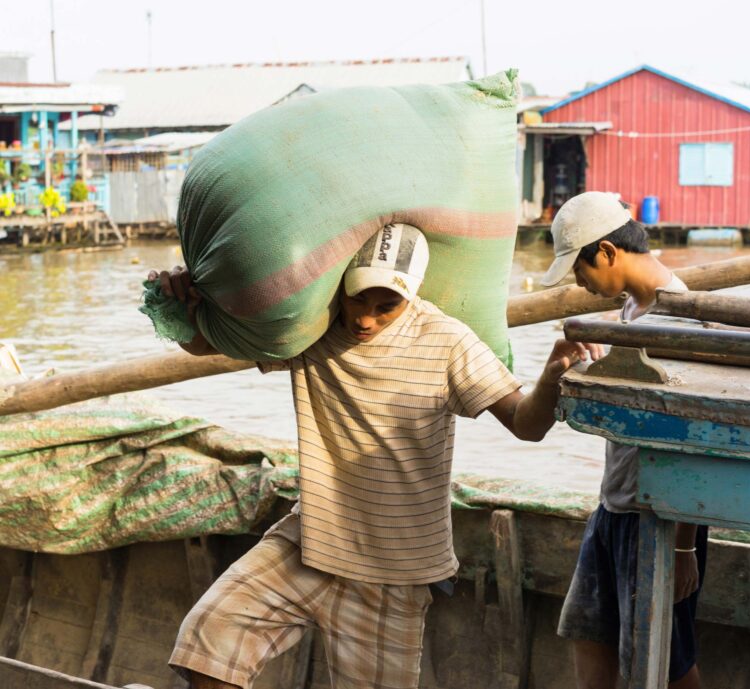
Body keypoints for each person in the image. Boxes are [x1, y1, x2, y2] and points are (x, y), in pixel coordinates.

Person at [149, 223, 600, 689]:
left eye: (386, 307)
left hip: (395, 573)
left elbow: (527, 425)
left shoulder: (448, 342)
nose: (366, 319)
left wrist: (551, 377)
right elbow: (204, 344)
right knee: (207, 639)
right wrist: (184, 305)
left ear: (413, 295)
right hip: (309, 542)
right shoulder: (312, 328)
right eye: (357, 300)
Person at [540, 192, 707, 689]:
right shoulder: (634, 309)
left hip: (658, 519)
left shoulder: (678, 320)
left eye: (580, 268)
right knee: (588, 633)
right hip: (614, 507)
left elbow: (692, 439)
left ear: (608, 253)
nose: (579, 281)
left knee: (666, 662)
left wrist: (683, 548)